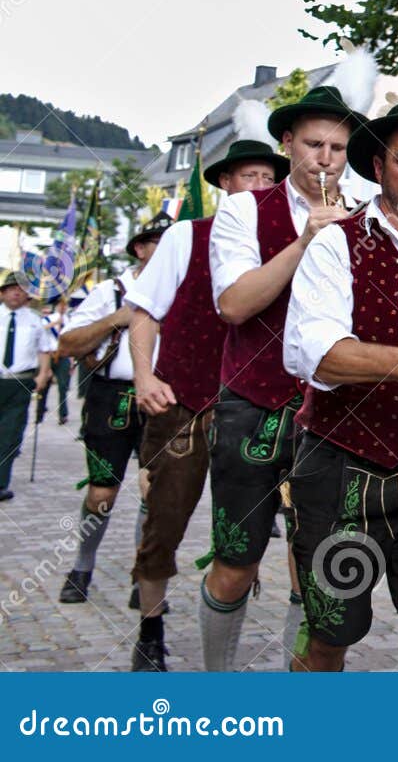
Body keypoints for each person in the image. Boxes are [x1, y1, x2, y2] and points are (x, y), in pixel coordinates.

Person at [283, 99, 398, 672]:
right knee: (331, 634)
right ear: (379, 166)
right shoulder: (337, 242)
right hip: (345, 467)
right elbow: (310, 352)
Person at [201, 69, 371, 670]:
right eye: (313, 145)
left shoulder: (369, 212)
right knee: (236, 561)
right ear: (287, 145)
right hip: (252, 405)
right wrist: (305, 241)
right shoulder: (245, 210)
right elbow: (234, 304)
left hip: (332, 411)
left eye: (338, 148)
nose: (325, 158)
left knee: (318, 570)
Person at [123, 131, 286, 671]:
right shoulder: (185, 236)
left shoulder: (289, 241)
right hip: (184, 402)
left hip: (257, 409)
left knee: (252, 530)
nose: (260, 187)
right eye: (250, 177)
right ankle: (151, 626)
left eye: (268, 178)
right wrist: (145, 376)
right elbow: (145, 311)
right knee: (165, 518)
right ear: (224, 183)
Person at [54, 214, 170, 604]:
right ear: (139, 248)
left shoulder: (188, 291)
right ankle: (82, 566)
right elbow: (67, 345)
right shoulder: (110, 290)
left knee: (155, 492)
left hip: (164, 401)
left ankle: (145, 578)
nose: (166, 247)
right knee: (103, 493)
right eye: (157, 241)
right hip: (112, 400)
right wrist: (118, 318)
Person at [0, 272, 52, 501]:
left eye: (21, 289)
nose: (16, 292)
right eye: (11, 288)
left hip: (20, 382)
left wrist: (43, 374)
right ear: (2, 293)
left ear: (27, 295)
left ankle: (1, 483)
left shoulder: (34, 320)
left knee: (11, 433)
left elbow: (44, 350)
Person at [35, 296, 72, 426]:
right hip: (49, 356)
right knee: (43, 387)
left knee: (63, 387)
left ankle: (63, 414)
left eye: (65, 305)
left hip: (63, 356)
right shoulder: (47, 319)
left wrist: (72, 361)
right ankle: (39, 412)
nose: (64, 307)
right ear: (56, 306)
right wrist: (55, 324)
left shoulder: (68, 319)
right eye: (62, 305)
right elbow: (41, 330)